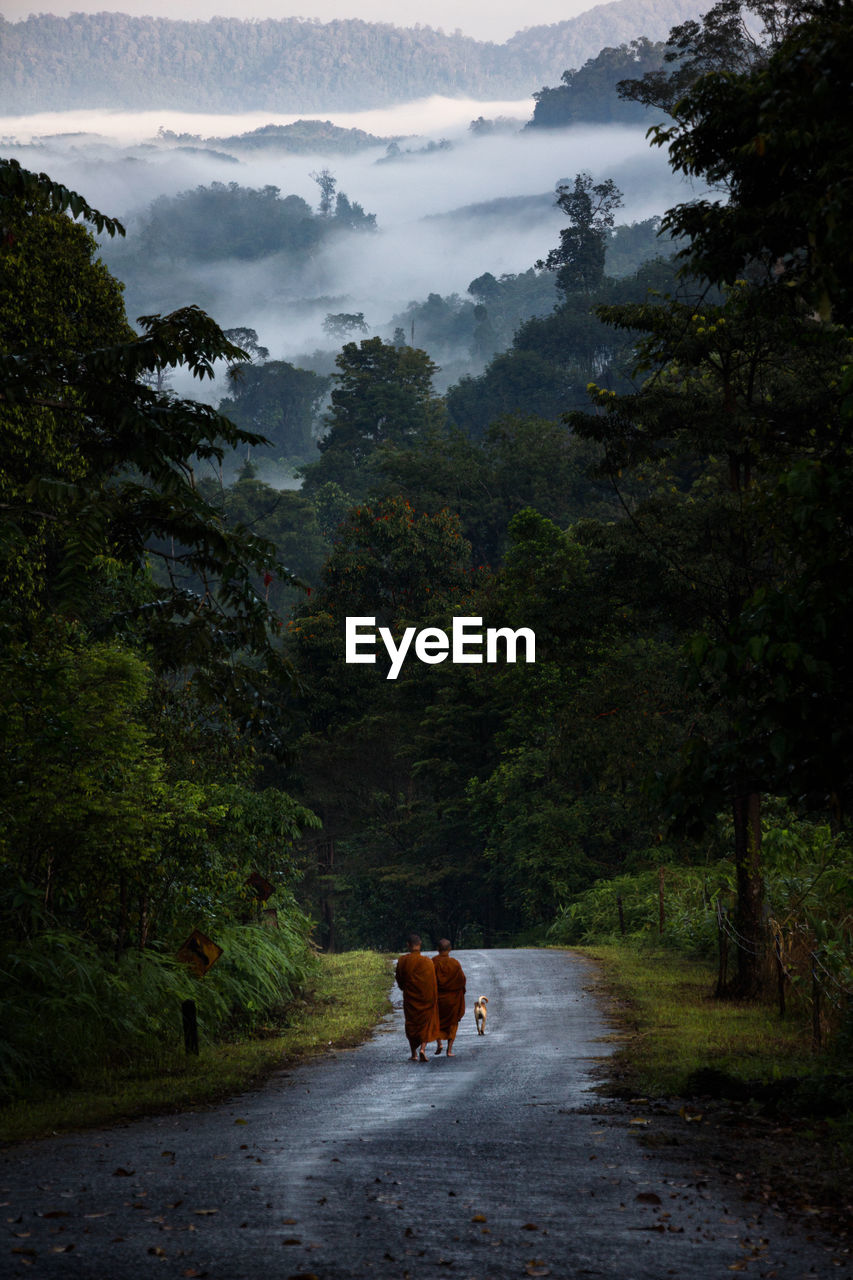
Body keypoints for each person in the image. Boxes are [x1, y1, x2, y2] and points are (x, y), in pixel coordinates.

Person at [395, 932, 440, 1062]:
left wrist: (405, 988)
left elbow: (399, 979)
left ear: (408, 945)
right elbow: (433, 982)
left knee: (411, 1023)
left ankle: (414, 1053)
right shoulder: (427, 961)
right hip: (426, 998)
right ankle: (423, 1049)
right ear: (420, 945)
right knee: (426, 1022)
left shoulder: (403, 960)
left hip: (410, 998)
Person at [432, 937, 466, 1057]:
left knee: (436, 1021)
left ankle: (439, 1043)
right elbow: (462, 981)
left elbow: (429, 981)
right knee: (453, 1023)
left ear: (437, 949)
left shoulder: (433, 962)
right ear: (450, 949)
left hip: (437, 999)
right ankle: (449, 1050)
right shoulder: (455, 963)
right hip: (452, 1000)